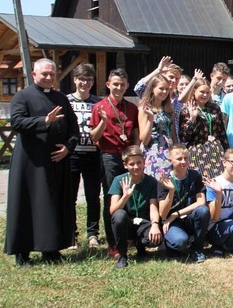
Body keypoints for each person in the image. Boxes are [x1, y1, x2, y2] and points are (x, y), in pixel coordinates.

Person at [5, 59, 79, 266]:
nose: (48, 78)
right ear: (34, 74)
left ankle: (51, 250)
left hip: (56, 161)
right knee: (27, 204)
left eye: (52, 74)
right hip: (31, 163)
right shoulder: (22, 96)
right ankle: (22, 252)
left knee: (53, 205)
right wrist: (44, 121)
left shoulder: (60, 98)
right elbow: (17, 122)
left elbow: (73, 127)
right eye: (44, 74)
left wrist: (68, 147)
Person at [90, 68, 140, 257]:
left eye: (123, 84)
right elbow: (94, 136)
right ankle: (113, 243)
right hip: (109, 156)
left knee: (132, 196)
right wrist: (103, 121)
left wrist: (135, 155)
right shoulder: (99, 107)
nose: (119, 87)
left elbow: (135, 134)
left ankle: (129, 236)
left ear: (127, 86)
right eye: (115, 84)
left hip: (128, 157)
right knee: (113, 199)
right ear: (108, 84)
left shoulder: (131, 107)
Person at [108, 146, 162, 269]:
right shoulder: (119, 180)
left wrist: (154, 225)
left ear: (144, 162)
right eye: (132, 164)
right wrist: (125, 196)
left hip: (143, 222)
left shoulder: (151, 182)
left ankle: (141, 247)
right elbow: (112, 211)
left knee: (155, 239)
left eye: (139, 163)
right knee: (119, 215)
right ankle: (122, 255)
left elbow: (153, 207)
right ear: (125, 165)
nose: (136, 167)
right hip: (126, 222)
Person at [66, 63, 102, 249]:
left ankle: (93, 233)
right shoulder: (66, 101)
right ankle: (71, 233)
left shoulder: (98, 102)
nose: (85, 83)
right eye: (81, 79)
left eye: (88, 80)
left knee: (93, 196)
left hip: (93, 154)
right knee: (70, 196)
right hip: (72, 154)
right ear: (75, 80)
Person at [157, 145, 210, 263]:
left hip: (188, 217)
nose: (183, 161)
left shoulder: (194, 176)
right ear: (170, 160)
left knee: (203, 210)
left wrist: (176, 214)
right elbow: (163, 213)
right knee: (180, 242)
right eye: (179, 159)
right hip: (171, 223)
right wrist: (171, 191)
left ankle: (197, 249)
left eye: (186, 158)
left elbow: (201, 202)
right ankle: (171, 244)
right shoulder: (165, 180)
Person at [179, 77, 229, 179]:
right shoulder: (186, 110)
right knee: (200, 185)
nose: (205, 95)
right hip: (197, 152)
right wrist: (192, 119)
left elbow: (221, 132)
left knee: (217, 182)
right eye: (202, 92)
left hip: (216, 151)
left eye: (208, 92)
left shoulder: (214, 108)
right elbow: (184, 137)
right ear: (194, 91)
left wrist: (226, 151)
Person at [139, 75, 177, 177]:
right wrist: (151, 119)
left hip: (168, 150)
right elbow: (144, 139)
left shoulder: (168, 108)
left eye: (167, 89)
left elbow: (172, 132)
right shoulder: (145, 108)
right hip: (153, 150)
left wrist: (176, 149)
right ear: (152, 89)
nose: (164, 92)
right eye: (161, 88)